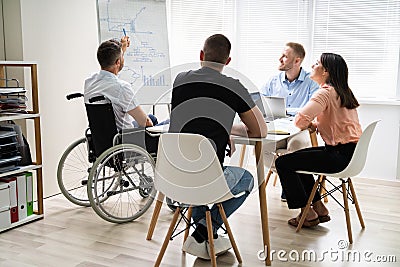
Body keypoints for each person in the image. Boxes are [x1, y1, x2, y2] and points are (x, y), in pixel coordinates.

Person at [169, 34, 267, 259]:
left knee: (200, 185)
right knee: (246, 179)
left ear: (201, 55)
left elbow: (193, 120)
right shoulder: (233, 86)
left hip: (174, 174)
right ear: (228, 61)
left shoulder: (180, 79)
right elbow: (260, 131)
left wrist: (224, 129)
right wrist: (229, 129)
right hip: (206, 177)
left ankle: (204, 236)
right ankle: (204, 231)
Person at [275, 53, 362, 228]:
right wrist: (314, 124)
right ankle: (318, 207)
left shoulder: (325, 93)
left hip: (337, 157)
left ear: (326, 71)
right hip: (351, 155)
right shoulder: (344, 91)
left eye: (316, 64)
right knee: (297, 160)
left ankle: (307, 213)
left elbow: (299, 120)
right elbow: (336, 121)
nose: (312, 67)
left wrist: (308, 123)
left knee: (283, 163)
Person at [260, 42, 319, 201]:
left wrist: (286, 111)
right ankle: (290, 180)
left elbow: (312, 110)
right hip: (277, 128)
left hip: (300, 128)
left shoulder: (311, 81)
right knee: (263, 148)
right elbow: (261, 102)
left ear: (297, 61)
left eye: (285, 56)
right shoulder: (273, 80)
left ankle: (291, 185)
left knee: (296, 147)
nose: (280, 59)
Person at [84, 36, 155, 130]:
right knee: (158, 122)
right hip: (125, 139)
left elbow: (112, 71)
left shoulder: (89, 82)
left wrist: (121, 50)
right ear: (118, 62)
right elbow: (145, 123)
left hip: (102, 140)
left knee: (152, 117)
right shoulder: (122, 88)